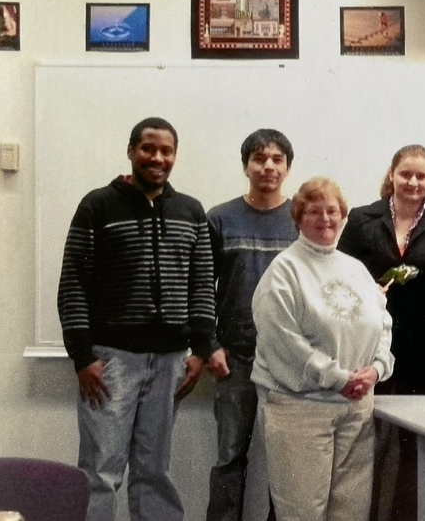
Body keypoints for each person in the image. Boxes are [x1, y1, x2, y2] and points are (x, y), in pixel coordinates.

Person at [57, 117, 225, 521]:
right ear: (131, 151)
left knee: (154, 472)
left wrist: (201, 350)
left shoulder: (191, 211)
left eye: (166, 151)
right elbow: (73, 283)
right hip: (111, 361)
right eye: (149, 148)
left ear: (175, 157)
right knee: (101, 472)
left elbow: (203, 284)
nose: (157, 158)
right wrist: (83, 356)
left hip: (170, 362)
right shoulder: (97, 205)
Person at [251, 177, 394, 521]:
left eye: (333, 211)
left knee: (351, 511)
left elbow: (382, 324)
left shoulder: (355, 268)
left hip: (356, 407)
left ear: (344, 216)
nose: (326, 219)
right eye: (315, 211)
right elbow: (282, 341)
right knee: (302, 511)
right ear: (299, 217)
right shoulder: (284, 270)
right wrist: (338, 378)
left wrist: (376, 369)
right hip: (301, 408)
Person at [337, 145, 425, 521]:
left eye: (422, 176)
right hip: (368, 346)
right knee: (367, 444)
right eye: (406, 173)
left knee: (413, 447)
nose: (413, 182)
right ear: (392, 175)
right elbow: (340, 277)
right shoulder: (361, 219)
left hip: (424, 348)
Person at [205, 129, 297, 521]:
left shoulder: (302, 218)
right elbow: (199, 288)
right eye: (260, 158)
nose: (268, 166)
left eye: (277, 159)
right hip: (235, 358)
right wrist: (209, 344)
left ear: (288, 167)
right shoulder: (220, 218)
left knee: (287, 462)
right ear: (246, 166)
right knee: (229, 458)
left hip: (290, 362)